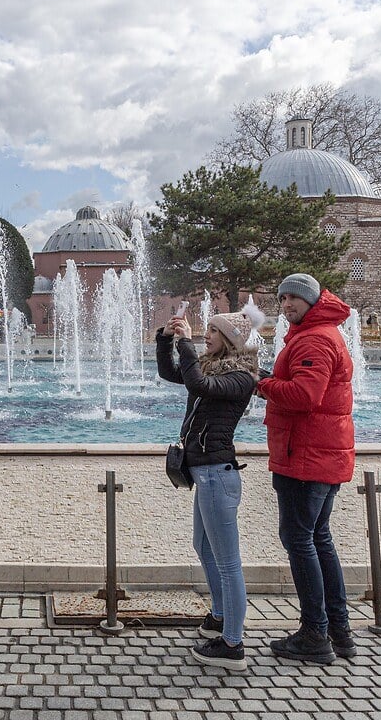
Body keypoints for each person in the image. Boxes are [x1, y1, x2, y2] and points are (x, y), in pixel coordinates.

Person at [256, 273, 356, 665]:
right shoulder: (320, 332)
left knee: (300, 540)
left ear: (312, 300)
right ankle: (339, 630)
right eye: (281, 299)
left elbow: (303, 396)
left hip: (306, 456)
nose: (286, 305)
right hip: (321, 453)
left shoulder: (314, 338)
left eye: (294, 298)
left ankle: (315, 633)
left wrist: (261, 384)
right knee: (319, 538)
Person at [155, 305, 262, 672]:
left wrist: (185, 342)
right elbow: (172, 372)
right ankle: (219, 616)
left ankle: (233, 644)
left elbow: (198, 383)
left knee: (229, 562)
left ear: (229, 340)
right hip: (205, 472)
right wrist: (166, 340)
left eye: (213, 332)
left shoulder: (242, 376)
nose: (207, 335)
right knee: (203, 547)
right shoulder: (214, 367)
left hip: (218, 473)